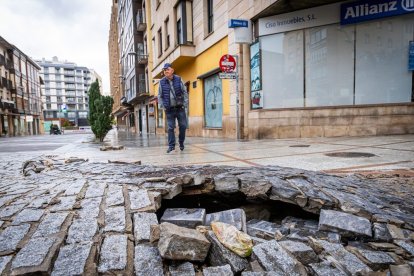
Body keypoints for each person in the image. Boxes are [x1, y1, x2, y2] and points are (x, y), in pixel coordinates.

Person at [157, 63, 188, 153]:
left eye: (167, 69)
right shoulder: (162, 82)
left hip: (180, 108)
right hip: (169, 109)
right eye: (164, 70)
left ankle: (181, 142)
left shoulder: (178, 79)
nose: (166, 71)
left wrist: (185, 104)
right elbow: (159, 95)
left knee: (183, 126)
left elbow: (184, 92)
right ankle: (171, 146)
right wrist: (163, 106)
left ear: (172, 70)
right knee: (170, 128)